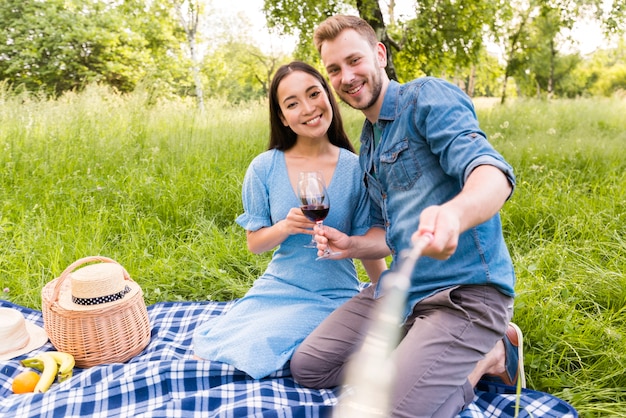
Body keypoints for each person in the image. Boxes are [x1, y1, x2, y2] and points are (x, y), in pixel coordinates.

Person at [289, 15, 524, 417]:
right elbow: (391, 233)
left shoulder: (426, 98)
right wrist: (353, 245)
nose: (346, 76)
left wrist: (454, 213)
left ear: (379, 54)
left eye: (354, 60)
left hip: (462, 295)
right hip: (399, 292)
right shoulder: (368, 140)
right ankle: (415, 364)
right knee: (309, 367)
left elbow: (492, 173)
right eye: (334, 69)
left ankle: (493, 354)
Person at [192, 61, 387, 379]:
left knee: (260, 350)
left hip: (332, 293)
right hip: (278, 286)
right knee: (212, 347)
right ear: (282, 116)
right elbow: (255, 244)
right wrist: (285, 226)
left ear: (328, 96)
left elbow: (370, 246)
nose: (308, 108)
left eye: (314, 94)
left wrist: (388, 297)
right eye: (293, 103)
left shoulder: (356, 168)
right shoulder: (264, 167)